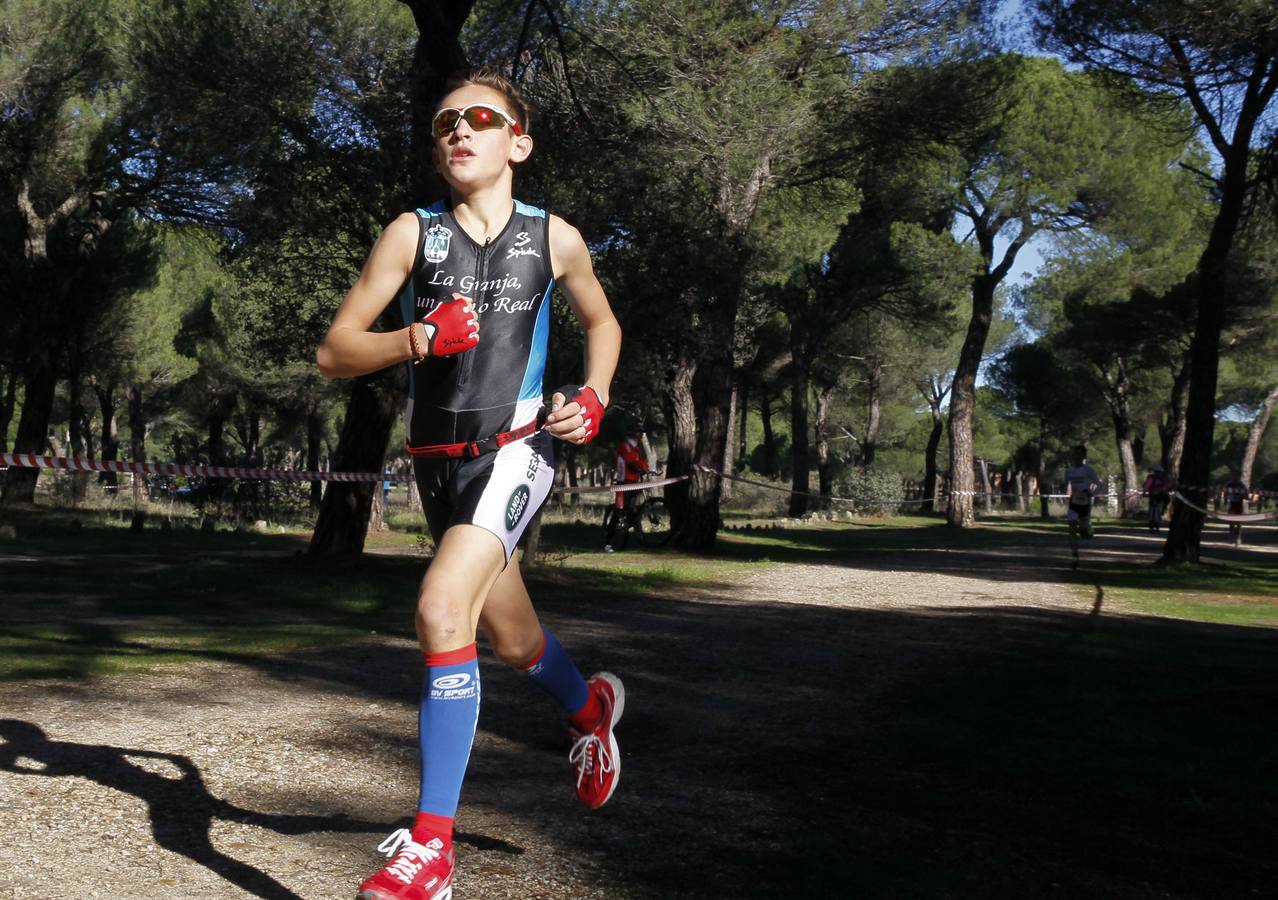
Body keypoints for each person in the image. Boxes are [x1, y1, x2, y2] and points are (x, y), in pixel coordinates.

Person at [315, 67, 624, 900]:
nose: (459, 130)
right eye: (445, 122)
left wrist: (592, 396)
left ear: (516, 141)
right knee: (513, 636)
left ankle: (431, 849)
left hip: (518, 449)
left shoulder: (553, 237)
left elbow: (602, 321)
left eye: (480, 118)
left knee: (440, 608)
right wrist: (416, 337)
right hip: (437, 467)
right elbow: (337, 351)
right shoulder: (411, 236)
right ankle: (589, 709)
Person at [602, 428, 650, 552]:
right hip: (623, 483)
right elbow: (631, 461)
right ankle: (608, 542)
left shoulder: (636, 448)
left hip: (634, 483)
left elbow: (641, 462)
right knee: (618, 512)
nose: (641, 436)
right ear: (634, 435)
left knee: (634, 510)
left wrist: (646, 469)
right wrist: (639, 468)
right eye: (639, 433)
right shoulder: (625, 446)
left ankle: (639, 538)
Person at [1063, 444, 1102, 569]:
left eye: (1080, 454)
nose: (1077, 456)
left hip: (1085, 504)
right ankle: (1075, 556)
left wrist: (1091, 493)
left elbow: (1099, 485)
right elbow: (1064, 485)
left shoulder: (1088, 470)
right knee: (1072, 529)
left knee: (1084, 532)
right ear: (1073, 455)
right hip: (1074, 503)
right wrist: (1063, 488)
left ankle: (1088, 529)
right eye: (1076, 454)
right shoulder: (1069, 471)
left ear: (1083, 456)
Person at [1223, 472, 1249, 548]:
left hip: (1239, 504)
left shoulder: (1241, 485)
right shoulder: (1228, 484)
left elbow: (1246, 496)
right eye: (1233, 475)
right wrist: (1225, 500)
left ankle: (1238, 538)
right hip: (1231, 504)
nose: (1234, 477)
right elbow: (1225, 492)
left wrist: (1243, 495)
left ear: (1238, 476)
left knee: (1238, 522)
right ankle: (1231, 536)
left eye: (1236, 475)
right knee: (1231, 521)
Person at [1142, 464, 1170, 532]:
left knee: (1167, 500)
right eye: (1158, 472)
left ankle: (1163, 510)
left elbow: (1165, 487)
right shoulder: (1151, 479)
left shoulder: (1163, 479)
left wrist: (1165, 492)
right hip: (1153, 496)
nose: (1159, 473)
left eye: (1160, 472)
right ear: (1156, 472)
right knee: (1152, 509)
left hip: (1161, 496)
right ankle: (1152, 522)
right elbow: (1147, 486)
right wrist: (1145, 492)